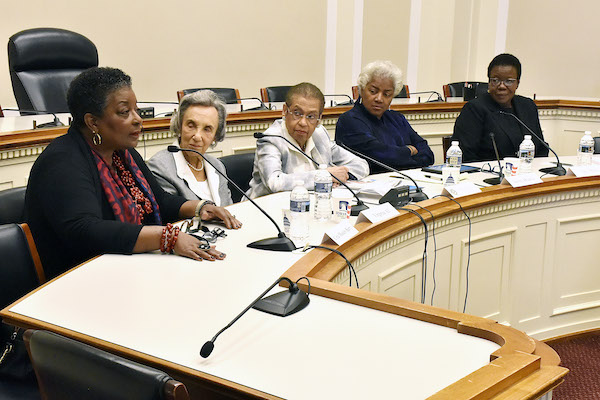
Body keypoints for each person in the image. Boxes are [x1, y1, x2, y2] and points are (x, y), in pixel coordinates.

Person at [25, 67, 241, 279]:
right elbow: (85, 230)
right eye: (124, 112)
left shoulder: (123, 154)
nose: (137, 119)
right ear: (93, 122)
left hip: (126, 268)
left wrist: (201, 207)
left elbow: (159, 201)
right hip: (78, 281)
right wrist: (166, 237)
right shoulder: (63, 161)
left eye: (136, 110)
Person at [246, 82, 369, 198]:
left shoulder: (319, 135)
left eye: (311, 116)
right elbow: (274, 182)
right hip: (265, 209)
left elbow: (361, 165)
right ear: (284, 111)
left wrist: (341, 177)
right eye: (297, 113)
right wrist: (325, 176)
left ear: (319, 119)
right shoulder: (271, 139)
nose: (303, 123)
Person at [335, 60, 434, 173]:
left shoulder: (397, 118)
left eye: (386, 94)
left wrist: (400, 157)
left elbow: (428, 154)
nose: (379, 99)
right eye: (373, 91)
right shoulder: (349, 121)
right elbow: (381, 158)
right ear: (361, 90)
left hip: (406, 181)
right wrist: (409, 151)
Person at [452, 53, 549, 162]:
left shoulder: (527, 106)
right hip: (488, 175)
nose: (502, 86)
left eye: (509, 81)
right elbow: (466, 156)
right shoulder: (474, 109)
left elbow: (541, 149)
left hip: (527, 173)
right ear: (488, 82)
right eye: (495, 80)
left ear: (517, 83)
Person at [148, 90, 233, 206]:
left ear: (215, 136)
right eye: (191, 126)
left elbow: (229, 210)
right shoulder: (160, 167)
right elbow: (171, 217)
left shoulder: (217, 166)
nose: (197, 136)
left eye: (207, 129)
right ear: (179, 126)